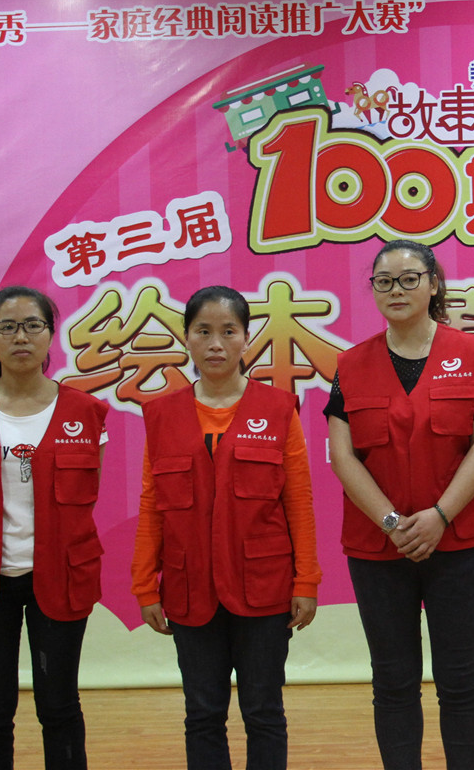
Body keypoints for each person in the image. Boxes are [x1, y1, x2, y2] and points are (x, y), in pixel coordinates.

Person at [325, 240, 474, 770]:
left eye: (409, 279)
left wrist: (440, 516)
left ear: (433, 284)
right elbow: (342, 455)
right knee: (393, 679)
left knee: (460, 677)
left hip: (460, 544)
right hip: (378, 550)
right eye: (384, 281)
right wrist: (391, 522)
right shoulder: (350, 364)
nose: (396, 290)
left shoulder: (472, 354)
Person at [131, 285, 320, 770]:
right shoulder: (161, 415)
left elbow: (298, 501)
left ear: (246, 338)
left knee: (264, 712)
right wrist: (145, 585)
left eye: (228, 331)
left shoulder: (278, 408)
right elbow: (152, 505)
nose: (216, 343)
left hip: (264, 587)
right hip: (189, 586)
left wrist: (306, 581)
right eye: (203, 331)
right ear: (186, 338)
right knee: (202, 714)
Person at [0, 285, 109, 770]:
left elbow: (84, 503)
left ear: (50, 335)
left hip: (61, 576)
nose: (21, 337)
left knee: (59, 706)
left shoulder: (86, 412)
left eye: (33, 325)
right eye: (8, 327)